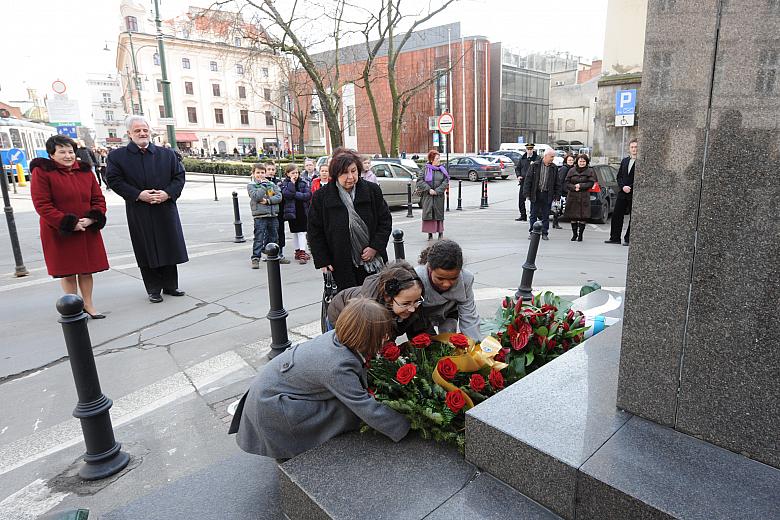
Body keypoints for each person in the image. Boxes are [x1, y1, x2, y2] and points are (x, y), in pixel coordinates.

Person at [230, 298, 410, 460]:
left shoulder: (340, 338)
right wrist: (406, 426)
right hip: (273, 410)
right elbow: (364, 405)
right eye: (381, 334)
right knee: (346, 411)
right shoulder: (338, 365)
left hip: (270, 395)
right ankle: (295, 447)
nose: (386, 337)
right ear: (365, 337)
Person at [106, 115, 189, 303]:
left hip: (164, 207)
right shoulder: (117, 156)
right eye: (137, 130)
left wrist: (167, 193)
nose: (142, 133)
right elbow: (114, 180)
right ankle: (153, 289)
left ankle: (171, 285)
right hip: (139, 209)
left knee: (168, 245)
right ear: (129, 133)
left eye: (145, 130)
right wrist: (138, 194)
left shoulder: (167, 154)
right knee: (146, 247)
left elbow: (179, 177)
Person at [30, 135, 109, 318]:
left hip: (86, 229)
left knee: (87, 270)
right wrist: (69, 223)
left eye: (70, 151)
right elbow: (42, 204)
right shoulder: (43, 172)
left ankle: (88, 305)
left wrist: (92, 219)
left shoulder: (85, 171)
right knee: (68, 272)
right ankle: (73, 306)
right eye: (62, 152)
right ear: (52, 155)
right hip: (60, 231)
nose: (68, 156)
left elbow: (98, 198)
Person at [308, 147, 392, 292]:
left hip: (372, 261)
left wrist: (375, 247)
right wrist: (323, 259)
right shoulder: (321, 197)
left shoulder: (372, 191)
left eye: (353, 171)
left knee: (375, 299)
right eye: (344, 173)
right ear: (335, 174)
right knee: (348, 301)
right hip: (339, 262)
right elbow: (314, 231)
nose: (351, 177)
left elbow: (385, 221)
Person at [327, 261, 428, 340]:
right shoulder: (370, 311)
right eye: (405, 304)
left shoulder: (412, 297)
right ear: (388, 298)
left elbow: (419, 330)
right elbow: (365, 346)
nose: (412, 309)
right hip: (341, 317)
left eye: (417, 301)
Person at [414, 239, 482, 340]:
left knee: (448, 338)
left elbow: (469, 317)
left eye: (453, 278)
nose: (446, 284)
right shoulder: (416, 279)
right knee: (427, 343)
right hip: (421, 316)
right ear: (429, 268)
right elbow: (413, 316)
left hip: (449, 312)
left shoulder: (466, 279)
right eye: (440, 278)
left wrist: (476, 345)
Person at [247, 163, 282, 269]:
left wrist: (268, 201)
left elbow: (279, 197)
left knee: (274, 237)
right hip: (260, 216)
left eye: (262, 172)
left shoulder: (271, 184)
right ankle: (255, 258)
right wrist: (263, 186)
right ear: (253, 174)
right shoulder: (252, 185)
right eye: (258, 172)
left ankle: (275, 255)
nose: (260, 175)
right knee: (259, 238)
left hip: (272, 215)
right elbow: (257, 196)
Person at [523, 149, 561, 241]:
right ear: (545, 156)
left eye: (553, 157)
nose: (553, 159)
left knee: (545, 215)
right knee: (533, 214)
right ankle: (532, 232)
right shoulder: (535, 165)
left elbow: (557, 182)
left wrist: (557, 196)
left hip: (547, 194)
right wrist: (527, 193)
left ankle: (544, 233)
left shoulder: (554, 168)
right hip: (536, 194)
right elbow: (528, 180)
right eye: (551, 157)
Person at [606, 138, 637, 246]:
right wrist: (623, 186)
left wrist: (630, 187)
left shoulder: (642, 162)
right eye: (632, 147)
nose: (634, 149)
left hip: (634, 193)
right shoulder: (625, 161)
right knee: (617, 215)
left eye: (636, 147)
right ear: (629, 148)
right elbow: (619, 177)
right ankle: (615, 238)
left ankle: (628, 239)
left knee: (634, 217)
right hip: (622, 192)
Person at [280, 163, 312, 264]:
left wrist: (295, 194)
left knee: (302, 232)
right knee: (295, 232)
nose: (295, 175)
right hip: (292, 211)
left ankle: (302, 252)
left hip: (302, 210)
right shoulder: (284, 183)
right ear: (287, 174)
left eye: (297, 173)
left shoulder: (303, 182)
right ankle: (297, 250)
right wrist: (292, 184)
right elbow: (286, 194)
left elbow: (307, 195)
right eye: (293, 173)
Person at [563, 154, 597, 242]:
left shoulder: (590, 171)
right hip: (573, 196)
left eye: (584, 161)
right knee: (573, 217)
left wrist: (581, 186)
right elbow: (566, 182)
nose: (582, 163)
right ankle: (574, 234)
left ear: (586, 162)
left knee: (583, 217)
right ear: (577, 162)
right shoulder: (571, 170)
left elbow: (591, 183)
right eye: (580, 161)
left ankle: (580, 234)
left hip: (584, 196)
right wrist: (574, 187)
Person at [418, 149, 449, 241]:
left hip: (438, 196)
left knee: (439, 214)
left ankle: (440, 233)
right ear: (431, 160)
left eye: (439, 158)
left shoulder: (442, 170)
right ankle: (430, 234)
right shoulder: (425, 169)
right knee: (429, 214)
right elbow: (419, 181)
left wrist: (437, 191)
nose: (439, 160)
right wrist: (429, 189)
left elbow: (446, 181)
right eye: (437, 159)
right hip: (428, 196)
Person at [515, 143, 538, 221]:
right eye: (528, 149)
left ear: (533, 149)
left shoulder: (537, 158)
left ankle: (533, 215)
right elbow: (517, 168)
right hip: (524, 182)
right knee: (521, 200)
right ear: (526, 150)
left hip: (533, 182)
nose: (529, 151)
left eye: (531, 149)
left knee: (533, 200)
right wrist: (518, 176)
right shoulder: (523, 158)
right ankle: (523, 215)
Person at [552, 154, 575, 229]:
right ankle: (555, 222)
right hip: (563, 191)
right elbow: (560, 180)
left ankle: (555, 222)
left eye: (572, 160)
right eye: (569, 160)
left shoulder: (573, 168)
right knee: (559, 208)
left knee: (562, 208)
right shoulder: (564, 168)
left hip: (569, 191)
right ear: (566, 161)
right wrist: (559, 191)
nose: (571, 161)